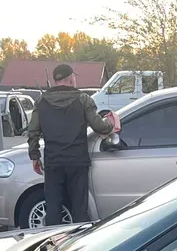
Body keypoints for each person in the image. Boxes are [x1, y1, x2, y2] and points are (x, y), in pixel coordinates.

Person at [27, 63, 118, 225]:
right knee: (79, 209)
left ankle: (54, 243)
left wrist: (35, 156)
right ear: (70, 79)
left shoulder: (41, 102)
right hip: (77, 162)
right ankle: (79, 245)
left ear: (55, 81)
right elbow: (99, 126)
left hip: (53, 162)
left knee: (53, 209)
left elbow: (33, 131)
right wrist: (111, 122)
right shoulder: (83, 100)